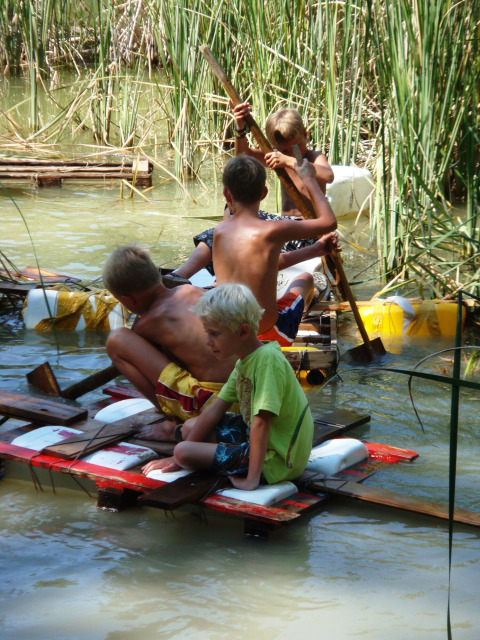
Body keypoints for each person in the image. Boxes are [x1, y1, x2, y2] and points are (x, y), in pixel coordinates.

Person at [142, 283, 314, 490]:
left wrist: (252, 479)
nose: (208, 342)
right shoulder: (244, 362)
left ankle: (246, 469)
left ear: (242, 331)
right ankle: (204, 455)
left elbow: (261, 423)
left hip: (279, 460)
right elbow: (216, 409)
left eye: (214, 334)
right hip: (270, 441)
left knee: (183, 452)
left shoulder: (267, 361)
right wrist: (180, 456)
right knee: (188, 429)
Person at [170, 104, 335, 281]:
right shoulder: (277, 155)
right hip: (282, 225)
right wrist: (240, 127)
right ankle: (178, 276)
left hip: (305, 231)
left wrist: (288, 160)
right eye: (282, 149)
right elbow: (243, 155)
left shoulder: (312, 158)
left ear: (306, 135)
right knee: (224, 222)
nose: (287, 153)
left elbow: (328, 175)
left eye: (294, 147)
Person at [102, 244, 237, 439]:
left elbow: (153, 373)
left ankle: (171, 421)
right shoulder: (191, 290)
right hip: (242, 394)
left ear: (129, 300)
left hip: (213, 406)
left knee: (116, 340)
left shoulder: (147, 324)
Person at [213, 155, 337, 344]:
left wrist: (314, 250)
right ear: (264, 193)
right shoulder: (273, 229)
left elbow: (265, 265)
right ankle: (301, 315)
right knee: (307, 279)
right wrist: (309, 180)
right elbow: (329, 222)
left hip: (227, 334)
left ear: (226, 194)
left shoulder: (219, 231)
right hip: (270, 334)